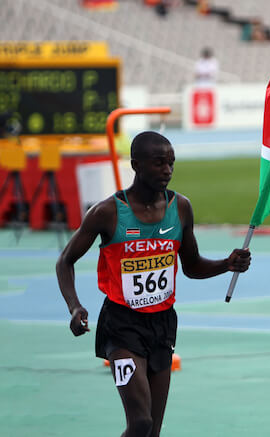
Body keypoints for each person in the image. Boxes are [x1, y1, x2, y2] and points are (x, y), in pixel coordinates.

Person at [56, 131, 251, 436]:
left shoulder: (181, 207)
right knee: (140, 422)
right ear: (136, 165)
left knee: (153, 431)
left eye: (171, 163)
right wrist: (75, 306)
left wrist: (226, 265)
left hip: (162, 324)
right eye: (159, 163)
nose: (167, 170)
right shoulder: (107, 212)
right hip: (121, 325)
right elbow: (65, 260)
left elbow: (192, 266)